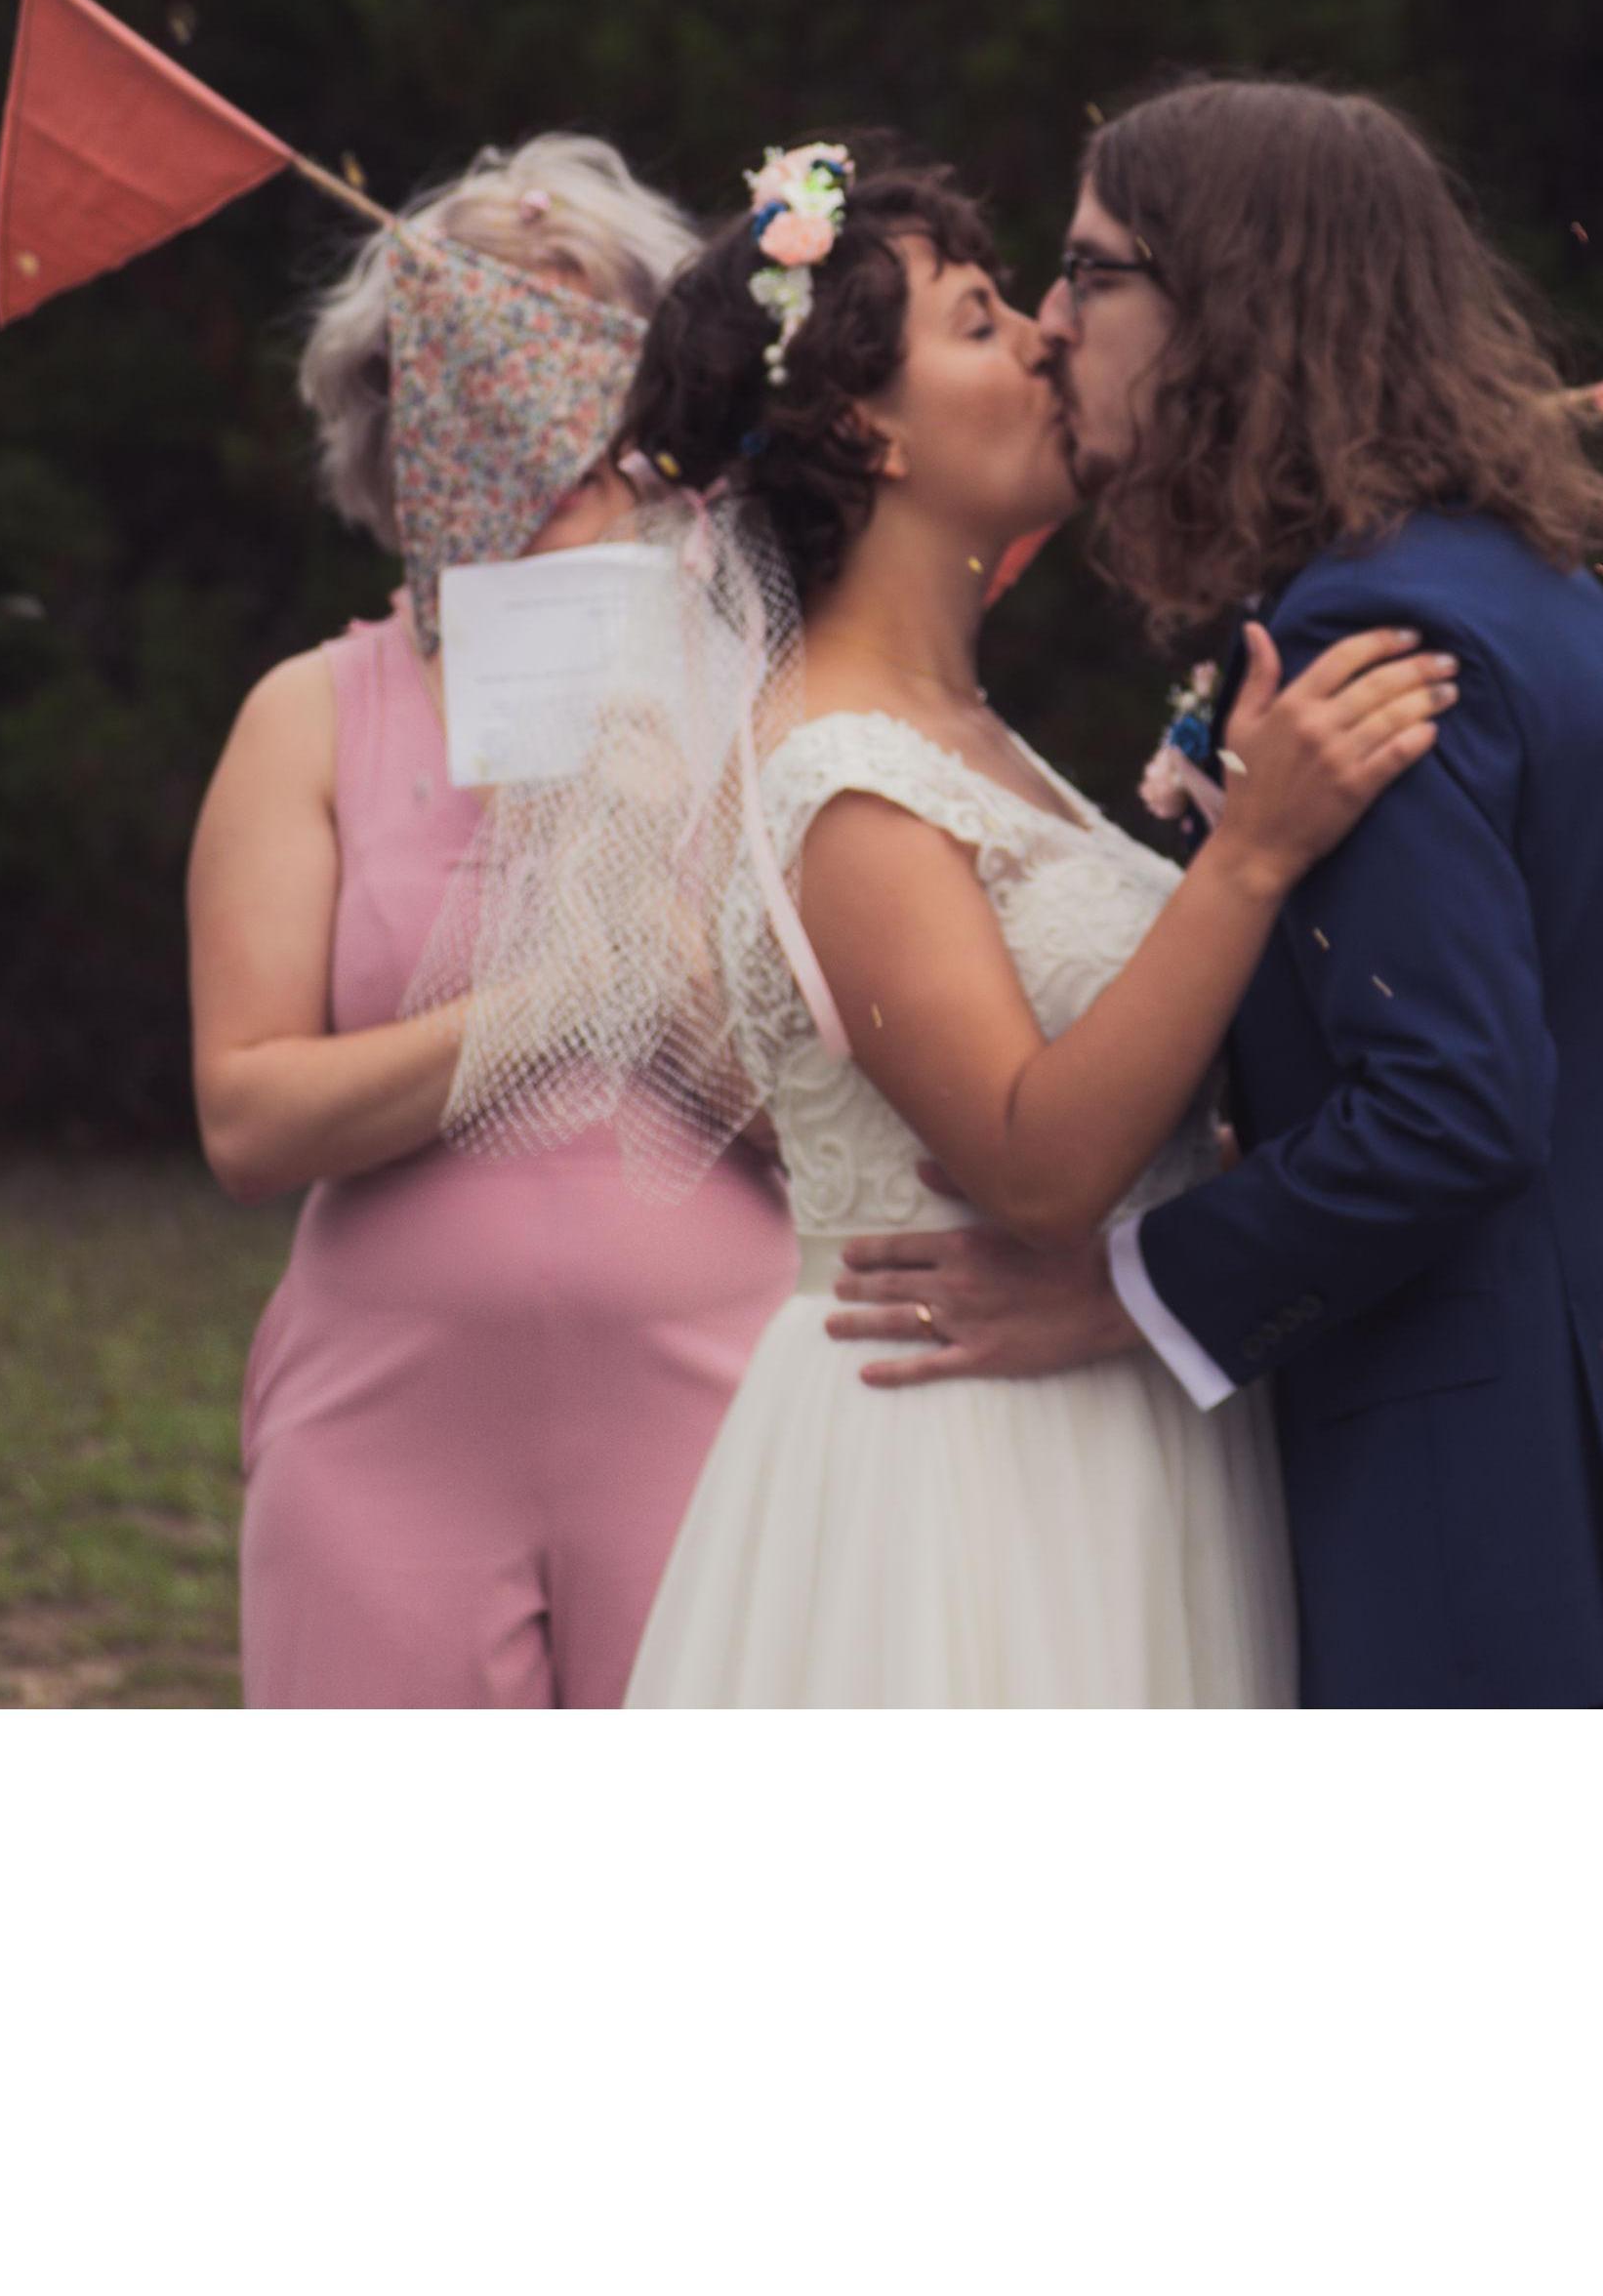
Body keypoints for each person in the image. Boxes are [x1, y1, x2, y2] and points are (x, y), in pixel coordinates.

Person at [825, 78, 1603, 1708]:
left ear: (1228, 303)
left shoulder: (1364, 646)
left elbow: (1453, 1108)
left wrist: (1133, 1290)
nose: (1052, 325)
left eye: (1092, 275)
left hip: (1505, 1530)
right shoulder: (1533, 587)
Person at [482, 138, 1448, 1706]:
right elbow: (1034, 1164)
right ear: (872, 428)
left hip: (1099, 1409)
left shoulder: (966, 733)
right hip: (965, 1472)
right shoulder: (841, 775)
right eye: (985, 318)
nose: (1051, 337)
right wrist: (1251, 859)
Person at [186, 131, 796, 1709]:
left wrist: (664, 988)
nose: (548, 430)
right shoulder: (311, 715)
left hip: (723, 1417)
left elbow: (875, 1131)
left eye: (592, 374)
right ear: (399, 419)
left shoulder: (771, 703)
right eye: (483, 371)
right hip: (384, 1443)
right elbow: (248, 1117)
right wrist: (539, 1007)